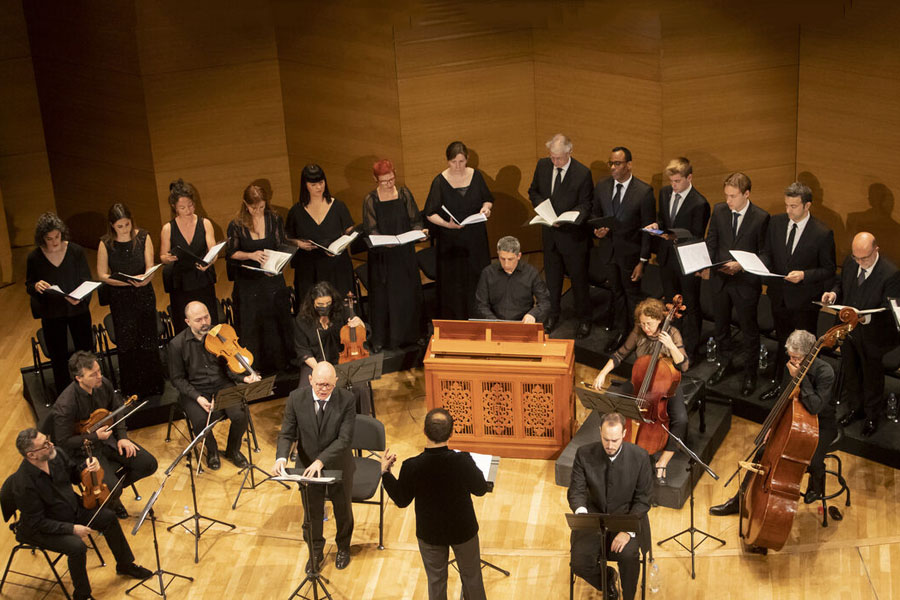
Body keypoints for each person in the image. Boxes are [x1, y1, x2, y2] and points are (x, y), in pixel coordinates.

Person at [10, 428, 153, 600]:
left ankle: (125, 564)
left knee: (108, 517)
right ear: (31, 455)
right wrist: (71, 529)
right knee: (77, 547)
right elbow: (37, 522)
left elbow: (75, 476)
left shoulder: (56, 455)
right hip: (42, 528)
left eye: (47, 440)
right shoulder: (23, 484)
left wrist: (88, 467)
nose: (51, 444)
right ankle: (82, 595)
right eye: (45, 445)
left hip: (70, 508)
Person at [709, 329, 836, 512]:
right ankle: (739, 500)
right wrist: (772, 425)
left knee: (813, 461)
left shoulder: (826, 372)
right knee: (762, 453)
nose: (793, 361)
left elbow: (815, 406)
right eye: (791, 356)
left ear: (810, 355)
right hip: (794, 420)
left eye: (798, 358)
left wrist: (800, 379)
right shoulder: (791, 365)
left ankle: (817, 482)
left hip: (821, 424)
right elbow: (783, 399)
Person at [380, 408, 489, 600]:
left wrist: (385, 473)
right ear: (452, 433)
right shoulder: (462, 460)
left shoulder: (412, 466)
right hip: (463, 530)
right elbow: (480, 489)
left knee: (436, 581)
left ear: (424, 431)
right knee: (472, 578)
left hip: (430, 534)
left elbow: (401, 500)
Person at [592, 298, 690, 485]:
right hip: (640, 379)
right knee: (608, 400)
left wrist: (670, 346)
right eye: (642, 323)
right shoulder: (638, 331)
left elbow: (684, 365)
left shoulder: (673, 333)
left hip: (665, 384)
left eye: (649, 324)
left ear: (659, 319)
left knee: (681, 419)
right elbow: (620, 354)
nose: (645, 328)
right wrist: (602, 373)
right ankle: (617, 443)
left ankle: (662, 463)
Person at [50, 351, 158, 519]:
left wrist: (122, 436)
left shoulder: (103, 384)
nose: (99, 376)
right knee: (113, 487)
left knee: (148, 464)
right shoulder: (65, 405)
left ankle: (107, 493)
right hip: (84, 453)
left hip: (108, 441)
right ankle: (111, 497)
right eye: (93, 374)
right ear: (79, 378)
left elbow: (117, 410)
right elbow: (63, 442)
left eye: (99, 371)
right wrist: (95, 437)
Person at [272, 362, 355, 572]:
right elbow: (287, 432)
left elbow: (344, 439)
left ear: (336, 381)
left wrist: (322, 460)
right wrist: (281, 458)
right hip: (307, 464)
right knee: (312, 512)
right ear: (310, 380)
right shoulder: (295, 398)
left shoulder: (347, 399)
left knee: (342, 510)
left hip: (338, 463)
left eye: (328, 384)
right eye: (319, 384)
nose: (323, 388)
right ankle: (316, 550)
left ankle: (343, 547)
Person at [759, 182, 836, 402]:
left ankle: (804, 391)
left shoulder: (822, 233)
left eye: (794, 206)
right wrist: (759, 264)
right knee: (783, 342)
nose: (788, 211)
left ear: (807, 205)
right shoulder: (775, 223)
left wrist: (804, 275)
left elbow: (828, 269)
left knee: (803, 349)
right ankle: (782, 386)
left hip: (804, 302)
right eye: (787, 205)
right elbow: (767, 252)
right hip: (779, 297)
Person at [822, 232, 900, 436]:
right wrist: (833, 293)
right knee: (851, 371)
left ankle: (872, 416)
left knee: (871, 376)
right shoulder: (851, 262)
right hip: (848, 330)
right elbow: (841, 284)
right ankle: (856, 409)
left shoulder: (891, 273)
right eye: (856, 257)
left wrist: (866, 318)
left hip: (875, 336)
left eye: (864, 258)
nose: (859, 262)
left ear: (876, 250)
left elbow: (889, 310)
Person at [568, 412, 652, 600]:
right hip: (593, 520)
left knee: (629, 557)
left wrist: (627, 531)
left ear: (624, 433)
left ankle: (628, 597)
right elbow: (576, 491)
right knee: (579, 562)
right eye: (606, 439)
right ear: (600, 432)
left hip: (626, 519)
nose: (610, 446)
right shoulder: (584, 454)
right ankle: (607, 581)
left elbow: (643, 499)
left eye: (614, 440)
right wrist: (582, 514)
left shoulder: (640, 457)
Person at [168, 301, 259, 470]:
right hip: (195, 390)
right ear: (188, 322)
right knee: (201, 421)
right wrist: (198, 397)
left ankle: (233, 450)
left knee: (240, 414)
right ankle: (212, 451)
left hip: (222, 384)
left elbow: (228, 364)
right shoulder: (177, 344)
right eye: (198, 320)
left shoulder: (220, 335)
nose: (205, 323)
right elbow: (177, 379)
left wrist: (243, 379)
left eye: (206, 317)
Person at [705, 172, 770, 397]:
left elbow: (765, 254)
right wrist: (711, 264)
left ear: (746, 194)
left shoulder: (761, 217)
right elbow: (711, 241)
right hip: (720, 280)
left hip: (745, 283)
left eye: (733, 196)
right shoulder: (719, 210)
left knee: (749, 331)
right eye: (726, 196)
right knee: (721, 327)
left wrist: (741, 265)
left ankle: (750, 374)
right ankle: (725, 364)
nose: (728, 201)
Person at [527, 133, 594, 338]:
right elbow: (534, 191)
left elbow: (586, 204)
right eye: (552, 157)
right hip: (550, 234)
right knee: (553, 280)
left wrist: (571, 218)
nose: (555, 161)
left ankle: (584, 318)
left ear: (569, 152)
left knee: (579, 281)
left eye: (559, 158)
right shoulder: (543, 166)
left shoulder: (582, 173)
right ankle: (553, 313)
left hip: (573, 237)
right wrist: (543, 209)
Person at [225, 183, 295, 374]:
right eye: (253, 207)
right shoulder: (237, 225)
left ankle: (280, 363)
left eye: (261, 207)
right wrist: (251, 255)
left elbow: (282, 245)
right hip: (249, 282)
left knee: (275, 321)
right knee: (252, 324)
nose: (258, 211)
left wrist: (275, 263)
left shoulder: (274, 219)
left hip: (271, 278)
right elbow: (231, 253)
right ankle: (254, 366)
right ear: (245, 205)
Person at [96, 203, 164, 397]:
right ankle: (132, 389)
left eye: (127, 225)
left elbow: (150, 266)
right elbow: (102, 274)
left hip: (143, 294)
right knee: (128, 342)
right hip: (121, 298)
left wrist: (144, 280)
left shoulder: (143, 236)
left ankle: (154, 386)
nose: (124, 229)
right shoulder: (105, 243)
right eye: (120, 226)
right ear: (112, 226)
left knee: (147, 339)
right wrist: (125, 283)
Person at [593, 147, 656, 352]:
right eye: (610, 163)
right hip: (609, 252)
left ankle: (636, 334)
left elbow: (648, 229)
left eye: (617, 163)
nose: (612, 167)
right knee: (616, 292)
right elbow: (596, 216)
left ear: (629, 164)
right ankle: (622, 330)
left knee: (632, 296)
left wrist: (643, 261)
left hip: (631, 255)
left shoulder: (643, 191)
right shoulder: (602, 186)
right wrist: (597, 231)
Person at [648, 157, 710, 362]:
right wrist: (656, 227)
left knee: (690, 306)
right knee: (670, 305)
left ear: (689, 177)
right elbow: (663, 219)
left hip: (687, 262)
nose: (673, 186)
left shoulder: (699, 203)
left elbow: (697, 236)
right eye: (671, 181)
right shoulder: (665, 193)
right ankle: (672, 344)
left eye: (677, 181)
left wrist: (675, 236)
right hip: (667, 259)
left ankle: (688, 352)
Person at [424, 141, 494, 320]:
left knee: (477, 277)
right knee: (454, 282)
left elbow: (487, 199)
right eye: (453, 162)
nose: (457, 166)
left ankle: (479, 316)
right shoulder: (440, 181)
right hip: (451, 240)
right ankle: (457, 319)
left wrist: (486, 209)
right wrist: (448, 225)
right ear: (447, 161)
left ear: (467, 160)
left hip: (475, 237)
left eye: (461, 162)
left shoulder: (476, 176)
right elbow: (430, 213)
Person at [25, 212, 94, 393]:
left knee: (85, 352)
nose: (55, 242)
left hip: (77, 310)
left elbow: (87, 279)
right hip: (52, 314)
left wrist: (79, 298)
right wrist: (36, 286)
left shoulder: (76, 251)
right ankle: (66, 394)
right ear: (42, 238)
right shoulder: (35, 258)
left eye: (57, 236)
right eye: (50, 238)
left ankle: (89, 388)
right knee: (59, 357)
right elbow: (29, 285)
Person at [362, 159, 427, 351]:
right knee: (386, 297)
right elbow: (371, 229)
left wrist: (419, 233)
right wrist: (385, 241)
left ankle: (413, 335)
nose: (389, 184)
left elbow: (415, 220)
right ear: (376, 180)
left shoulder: (404, 194)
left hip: (404, 253)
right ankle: (386, 339)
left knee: (408, 294)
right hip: (383, 257)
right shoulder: (370, 200)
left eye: (391, 179)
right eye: (384, 181)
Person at [293, 281, 373, 415]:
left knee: (360, 388)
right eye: (320, 305)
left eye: (327, 304)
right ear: (313, 303)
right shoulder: (302, 320)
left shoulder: (341, 311)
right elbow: (303, 351)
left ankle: (362, 423)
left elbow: (364, 334)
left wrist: (361, 324)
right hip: (315, 363)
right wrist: (321, 370)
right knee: (304, 392)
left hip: (343, 358)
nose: (324, 307)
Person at [286, 164, 356, 303]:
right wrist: (299, 243)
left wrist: (340, 246)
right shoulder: (296, 211)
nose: (319, 187)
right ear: (305, 185)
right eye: (314, 184)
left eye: (321, 182)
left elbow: (350, 232)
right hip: (309, 268)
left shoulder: (338, 206)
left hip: (336, 267)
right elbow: (287, 238)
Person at [159, 179, 219, 334]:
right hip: (181, 282)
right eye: (182, 207)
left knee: (208, 323)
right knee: (185, 325)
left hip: (201, 278)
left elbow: (213, 251)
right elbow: (162, 256)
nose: (188, 210)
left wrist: (209, 262)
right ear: (175, 207)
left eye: (191, 205)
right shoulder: (168, 228)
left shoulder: (205, 223)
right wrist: (169, 258)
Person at [474, 235, 550, 323]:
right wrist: (493, 321)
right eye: (502, 259)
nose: (506, 264)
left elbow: (545, 302)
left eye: (510, 259)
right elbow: (480, 304)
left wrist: (533, 314)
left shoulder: (531, 273)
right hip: (494, 323)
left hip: (523, 323)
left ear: (519, 256)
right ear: (498, 254)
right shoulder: (487, 273)